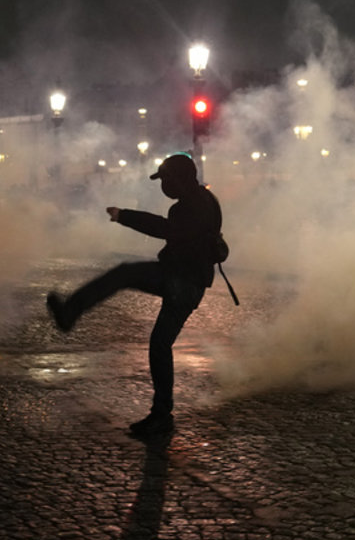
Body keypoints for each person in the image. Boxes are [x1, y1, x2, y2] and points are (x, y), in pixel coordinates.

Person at [45, 153, 222, 438]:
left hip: (182, 281)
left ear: (179, 178)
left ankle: (69, 313)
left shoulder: (195, 205)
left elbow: (167, 230)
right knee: (159, 344)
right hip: (186, 281)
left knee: (125, 275)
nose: (163, 185)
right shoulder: (201, 200)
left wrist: (124, 216)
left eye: (165, 179)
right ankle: (162, 414)